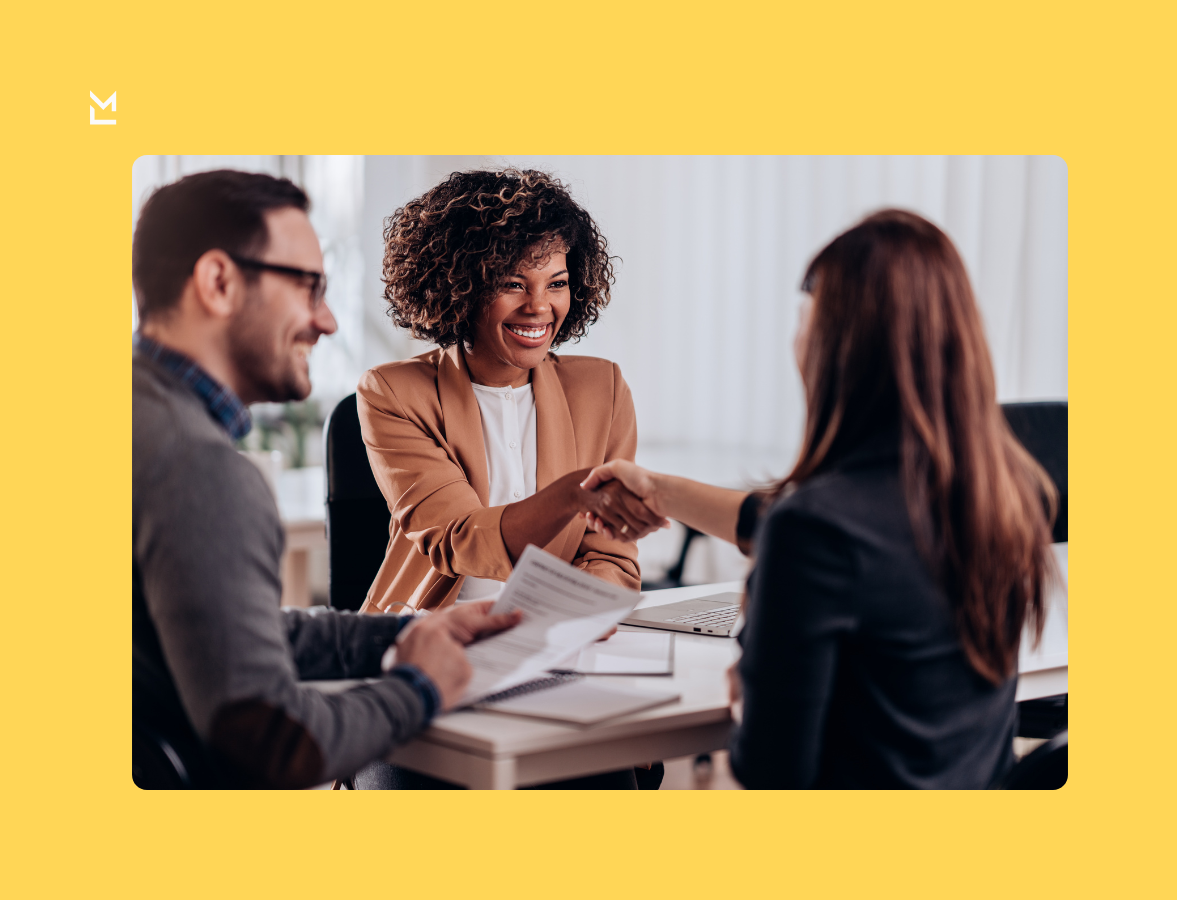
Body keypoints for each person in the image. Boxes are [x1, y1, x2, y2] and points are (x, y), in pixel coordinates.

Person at [582, 209, 1059, 789]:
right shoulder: (1003, 495)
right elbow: (796, 526)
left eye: (807, 317)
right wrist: (659, 489)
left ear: (838, 346)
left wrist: (747, 691)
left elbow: (769, 773)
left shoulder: (817, 528)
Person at [133, 169, 519, 789]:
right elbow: (275, 746)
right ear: (218, 282)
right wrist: (417, 688)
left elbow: (230, 633)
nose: (329, 321)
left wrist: (406, 632)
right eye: (309, 287)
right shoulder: (198, 469)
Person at [353, 169, 666, 789]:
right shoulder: (394, 391)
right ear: (459, 287)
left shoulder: (600, 388)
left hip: (558, 661)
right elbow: (460, 539)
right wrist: (575, 493)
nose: (539, 308)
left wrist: (587, 607)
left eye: (556, 284)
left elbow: (611, 555)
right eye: (511, 284)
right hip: (432, 654)